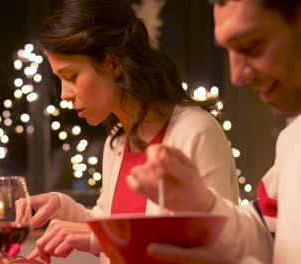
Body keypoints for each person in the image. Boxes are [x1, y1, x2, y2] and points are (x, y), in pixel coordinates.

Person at [19, 0, 239, 263]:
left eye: (71, 76)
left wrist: (100, 238)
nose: (64, 95)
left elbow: (216, 247)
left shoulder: (195, 130)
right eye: (60, 80)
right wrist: (64, 207)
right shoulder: (117, 141)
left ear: (112, 63)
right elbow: (111, 226)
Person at [128, 0, 301, 263]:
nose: (237, 76)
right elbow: (267, 234)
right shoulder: (295, 138)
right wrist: (200, 202)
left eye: (251, 46)